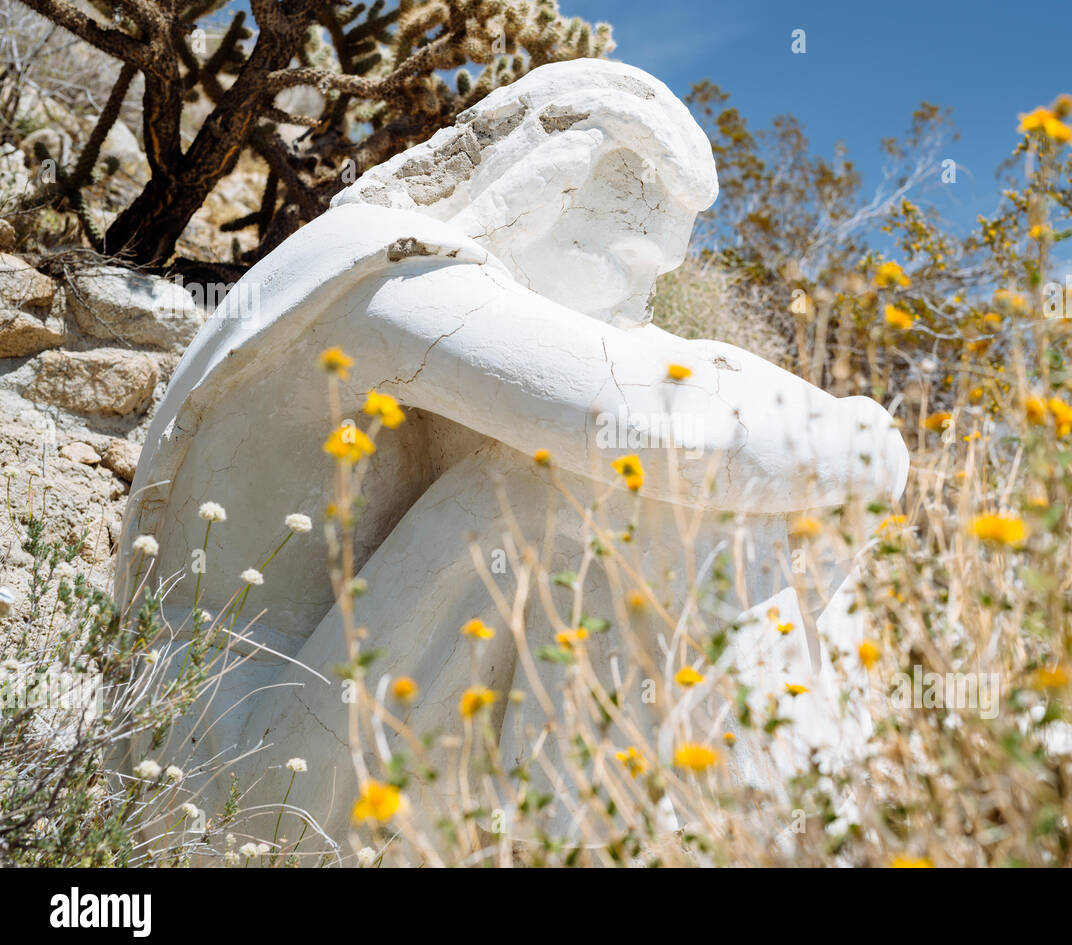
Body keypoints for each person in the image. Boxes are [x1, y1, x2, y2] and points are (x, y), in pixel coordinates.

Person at [115, 59, 909, 849]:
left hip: (295, 728)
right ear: (548, 183)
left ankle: (784, 823)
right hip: (217, 772)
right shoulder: (385, 267)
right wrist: (866, 437)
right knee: (556, 492)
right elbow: (647, 424)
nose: (637, 305)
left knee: (731, 505)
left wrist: (834, 442)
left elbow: (682, 373)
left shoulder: (418, 285)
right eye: (632, 264)